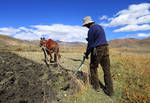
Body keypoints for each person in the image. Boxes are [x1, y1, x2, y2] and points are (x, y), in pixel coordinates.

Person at [82, 16, 114, 97]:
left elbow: (90, 45)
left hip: (98, 49)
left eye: (86, 25)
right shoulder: (99, 27)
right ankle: (110, 92)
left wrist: (86, 54)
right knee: (107, 70)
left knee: (93, 67)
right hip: (106, 48)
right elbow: (99, 38)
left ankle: (96, 87)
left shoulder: (91, 30)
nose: (86, 27)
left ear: (88, 24)